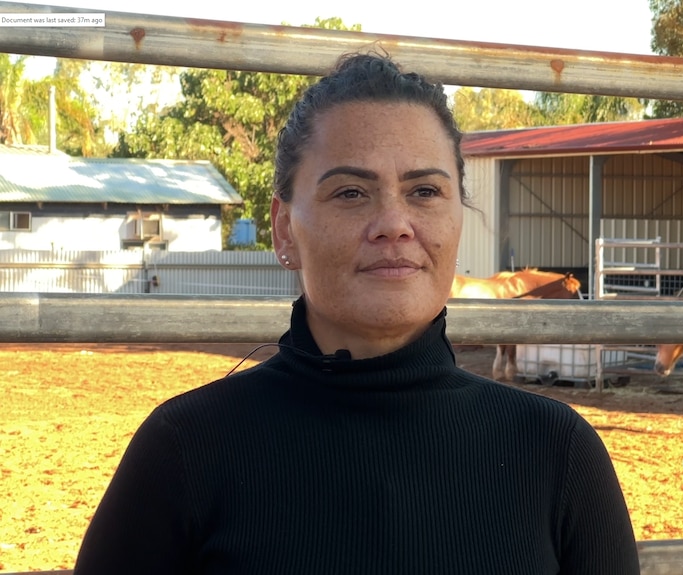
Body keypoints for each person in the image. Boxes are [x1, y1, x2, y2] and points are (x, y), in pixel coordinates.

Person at [74, 52, 640, 574]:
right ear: (283, 229)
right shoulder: (186, 449)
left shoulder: (558, 455)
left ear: (457, 220)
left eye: (424, 192)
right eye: (350, 192)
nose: (394, 223)